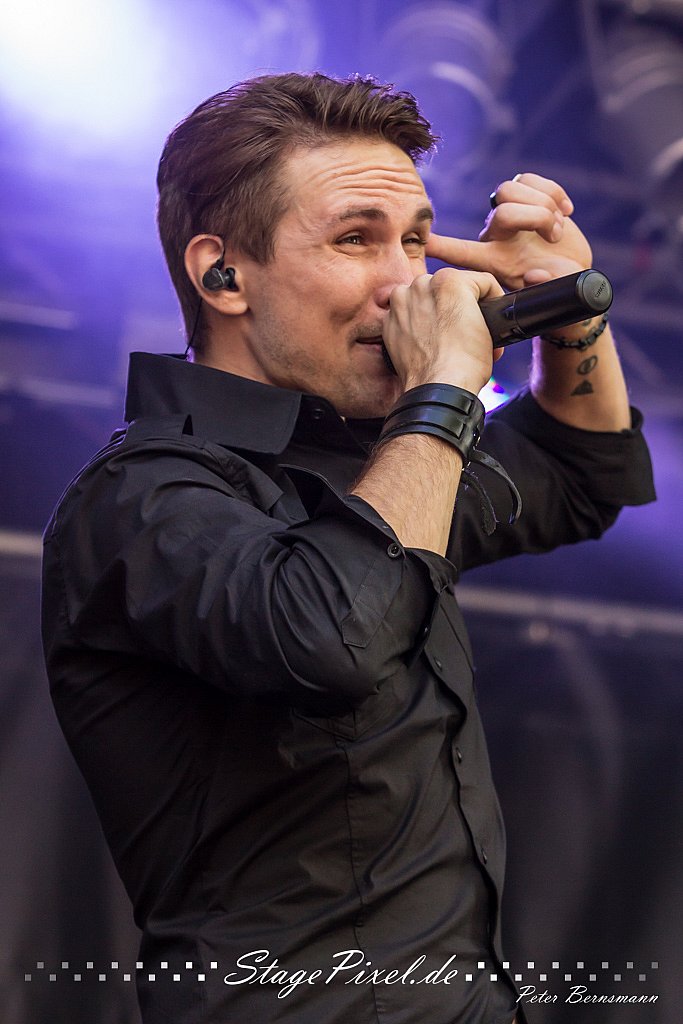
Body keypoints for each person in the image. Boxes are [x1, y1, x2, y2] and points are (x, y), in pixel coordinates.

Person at [41, 72, 655, 1024]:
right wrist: (443, 390)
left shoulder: (384, 462)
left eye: (414, 240)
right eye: (355, 239)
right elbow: (331, 635)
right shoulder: (141, 496)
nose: (405, 281)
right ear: (222, 275)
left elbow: (581, 472)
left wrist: (570, 319)